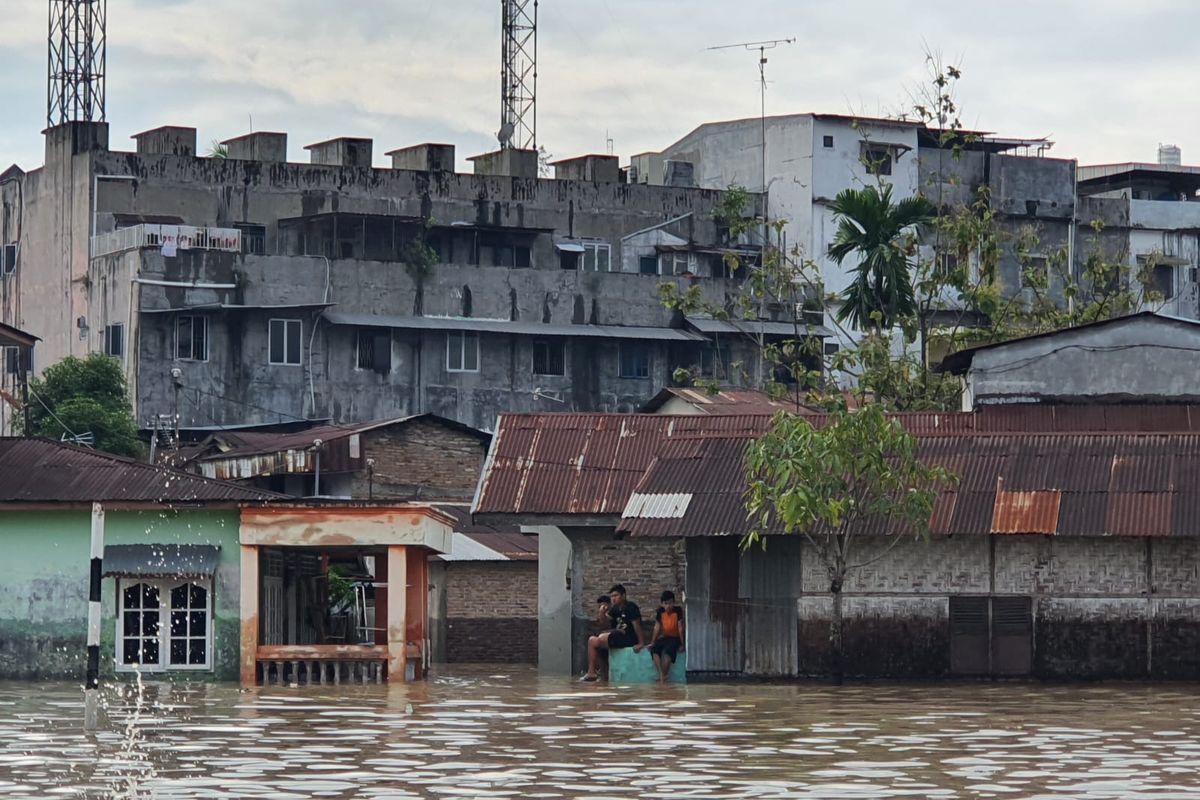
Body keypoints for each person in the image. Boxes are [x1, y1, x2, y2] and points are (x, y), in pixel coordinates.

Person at [582, 584, 644, 682]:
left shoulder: (631, 607)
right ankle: (591, 672)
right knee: (592, 640)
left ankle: (602, 674)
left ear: (623, 596)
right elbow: (604, 622)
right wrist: (601, 613)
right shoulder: (615, 608)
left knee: (602, 638)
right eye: (612, 596)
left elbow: (637, 625)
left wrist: (640, 643)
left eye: (616, 595)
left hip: (628, 637)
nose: (613, 598)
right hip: (616, 636)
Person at [649, 590, 685, 683]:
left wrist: (682, 644)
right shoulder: (660, 612)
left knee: (668, 652)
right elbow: (657, 627)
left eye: (670, 603)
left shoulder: (678, 610)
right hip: (665, 637)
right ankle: (662, 675)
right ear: (662, 604)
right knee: (654, 649)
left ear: (674, 603)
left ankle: (662, 677)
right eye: (666, 604)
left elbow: (680, 628)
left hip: (675, 638)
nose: (668, 606)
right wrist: (652, 642)